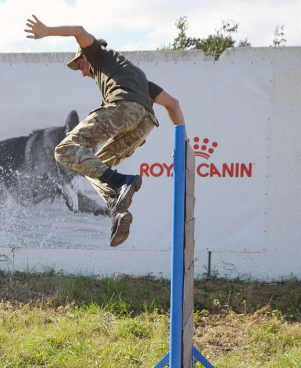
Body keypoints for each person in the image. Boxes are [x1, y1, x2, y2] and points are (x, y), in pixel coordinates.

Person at [25, 15, 186, 247]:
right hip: (145, 123)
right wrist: (183, 143)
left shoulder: (98, 55)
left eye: (80, 65)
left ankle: (121, 182)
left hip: (122, 110)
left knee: (64, 151)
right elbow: (173, 104)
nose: (83, 73)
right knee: (93, 167)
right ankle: (118, 210)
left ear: (85, 56)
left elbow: (79, 30)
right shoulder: (134, 77)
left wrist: (47, 31)